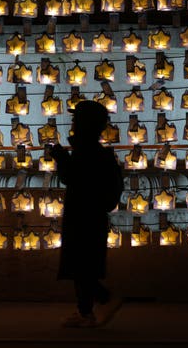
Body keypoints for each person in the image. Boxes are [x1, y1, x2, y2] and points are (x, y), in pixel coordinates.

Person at [51, 100, 124, 328]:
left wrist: (61, 158)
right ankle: (85, 312)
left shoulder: (88, 152)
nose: (72, 123)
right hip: (90, 214)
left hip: (84, 214)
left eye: (76, 119)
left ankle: (105, 298)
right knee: (82, 264)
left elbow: (72, 177)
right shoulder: (95, 151)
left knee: (81, 264)